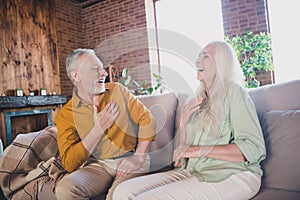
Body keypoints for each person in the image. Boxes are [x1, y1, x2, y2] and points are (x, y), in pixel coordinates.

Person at [112, 41, 266, 200]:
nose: (198, 60)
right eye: (199, 56)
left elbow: (254, 148)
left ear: (221, 65)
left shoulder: (234, 92)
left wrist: (197, 150)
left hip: (232, 174)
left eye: (205, 56)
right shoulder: (200, 100)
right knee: (122, 192)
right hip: (192, 172)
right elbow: (180, 158)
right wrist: (183, 122)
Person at [54, 49, 156, 200]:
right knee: (65, 189)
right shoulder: (66, 115)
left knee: (116, 195)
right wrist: (98, 129)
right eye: (95, 69)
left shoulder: (118, 90)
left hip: (132, 157)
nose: (104, 73)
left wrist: (139, 157)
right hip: (99, 165)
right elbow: (69, 163)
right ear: (76, 76)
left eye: (101, 67)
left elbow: (147, 119)